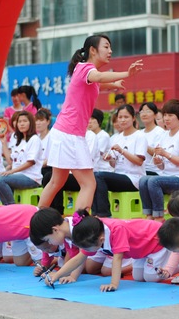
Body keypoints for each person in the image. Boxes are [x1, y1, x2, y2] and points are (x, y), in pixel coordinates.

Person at [38, 34, 143, 213]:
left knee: (57, 182)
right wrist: (127, 74)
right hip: (69, 134)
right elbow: (99, 78)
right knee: (88, 184)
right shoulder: (86, 68)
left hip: (63, 132)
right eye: (106, 47)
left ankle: (36, 220)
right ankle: (80, 226)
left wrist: (114, 84)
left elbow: (97, 84)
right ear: (93, 50)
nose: (110, 51)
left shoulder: (84, 72)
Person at [42, 209, 168, 291]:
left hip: (156, 242)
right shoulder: (92, 233)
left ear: (101, 240)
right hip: (140, 253)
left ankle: (174, 262)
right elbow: (80, 258)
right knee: (138, 277)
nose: (88, 253)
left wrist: (113, 284)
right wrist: (57, 276)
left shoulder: (116, 230)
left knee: (150, 277)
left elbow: (117, 259)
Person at [139, 99, 179, 222]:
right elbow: (162, 167)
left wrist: (166, 154)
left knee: (153, 181)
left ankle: (159, 216)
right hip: (168, 176)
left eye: (170, 115)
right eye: (165, 115)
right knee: (143, 179)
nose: (166, 118)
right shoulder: (164, 135)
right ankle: (149, 214)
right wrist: (158, 161)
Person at [92, 104, 146, 217]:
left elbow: (139, 161)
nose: (122, 120)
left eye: (126, 117)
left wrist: (122, 151)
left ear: (133, 118)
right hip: (119, 175)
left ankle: (103, 214)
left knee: (99, 176)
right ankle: (95, 213)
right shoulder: (116, 137)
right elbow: (114, 164)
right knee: (93, 177)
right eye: (120, 117)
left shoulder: (139, 136)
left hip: (134, 178)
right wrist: (109, 158)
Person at [0, 111, 44, 205]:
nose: (21, 124)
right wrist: (3, 143)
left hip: (31, 177)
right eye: (19, 122)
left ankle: (11, 206)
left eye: (24, 121)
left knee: (0, 179)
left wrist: (11, 171)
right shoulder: (18, 140)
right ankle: (7, 206)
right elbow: (10, 162)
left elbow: (30, 162)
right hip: (17, 174)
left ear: (30, 123)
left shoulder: (34, 139)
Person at [139, 102, 165, 175]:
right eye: (142, 111)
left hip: (154, 171)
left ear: (155, 115)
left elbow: (158, 153)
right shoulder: (139, 133)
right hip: (140, 170)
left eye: (148, 111)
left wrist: (144, 145)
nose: (144, 114)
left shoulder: (160, 132)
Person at [88, 108, 113, 173]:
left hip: (103, 170)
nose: (89, 121)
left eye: (93, 118)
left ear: (99, 121)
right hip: (92, 169)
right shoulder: (88, 135)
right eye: (88, 118)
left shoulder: (103, 136)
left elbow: (93, 154)